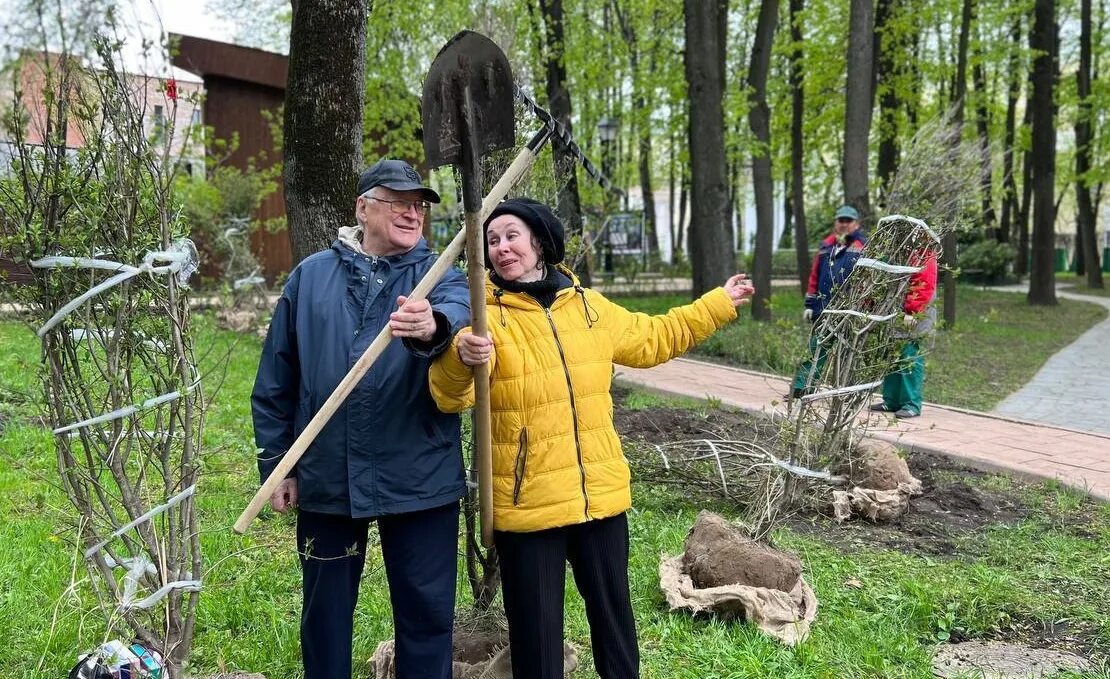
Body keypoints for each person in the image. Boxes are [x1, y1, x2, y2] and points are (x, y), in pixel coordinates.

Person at [428, 198, 755, 679]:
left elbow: (654, 337)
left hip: (598, 498)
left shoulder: (588, 307)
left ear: (539, 241)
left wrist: (716, 305)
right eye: (491, 241)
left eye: (511, 235)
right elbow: (447, 396)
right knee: (537, 638)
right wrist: (459, 356)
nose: (501, 248)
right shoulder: (483, 315)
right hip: (529, 503)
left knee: (614, 620)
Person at [251, 159, 471, 679]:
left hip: (419, 476)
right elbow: (275, 380)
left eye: (419, 205)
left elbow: (457, 317)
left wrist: (433, 325)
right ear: (363, 207)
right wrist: (277, 463)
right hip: (329, 474)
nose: (413, 213)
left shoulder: (440, 275)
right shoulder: (310, 277)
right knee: (324, 619)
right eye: (399, 202)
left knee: (426, 618)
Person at [788, 204, 867, 400]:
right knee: (815, 349)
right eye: (841, 220)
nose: (844, 224)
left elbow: (868, 279)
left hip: (850, 310)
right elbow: (815, 276)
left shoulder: (863, 247)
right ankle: (802, 389)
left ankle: (846, 394)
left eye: (848, 221)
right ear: (836, 223)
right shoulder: (826, 247)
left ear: (856, 224)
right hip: (824, 309)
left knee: (848, 353)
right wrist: (809, 305)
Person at [870, 234, 939, 418]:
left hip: (915, 317)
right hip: (897, 315)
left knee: (909, 358)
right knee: (892, 357)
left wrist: (913, 310)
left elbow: (924, 284)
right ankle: (891, 401)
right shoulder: (900, 252)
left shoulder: (924, 255)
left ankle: (911, 404)